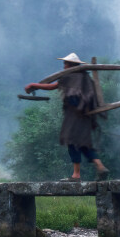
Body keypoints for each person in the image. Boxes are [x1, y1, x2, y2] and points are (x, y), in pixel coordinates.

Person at [25, 52, 109, 180]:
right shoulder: (85, 77)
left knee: (72, 141)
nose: (64, 66)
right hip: (86, 115)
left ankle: (76, 174)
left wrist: (33, 85)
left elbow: (54, 86)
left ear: (70, 65)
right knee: (83, 143)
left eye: (65, 63)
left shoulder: (70, 76)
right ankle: (100, 166)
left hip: (75, 114)